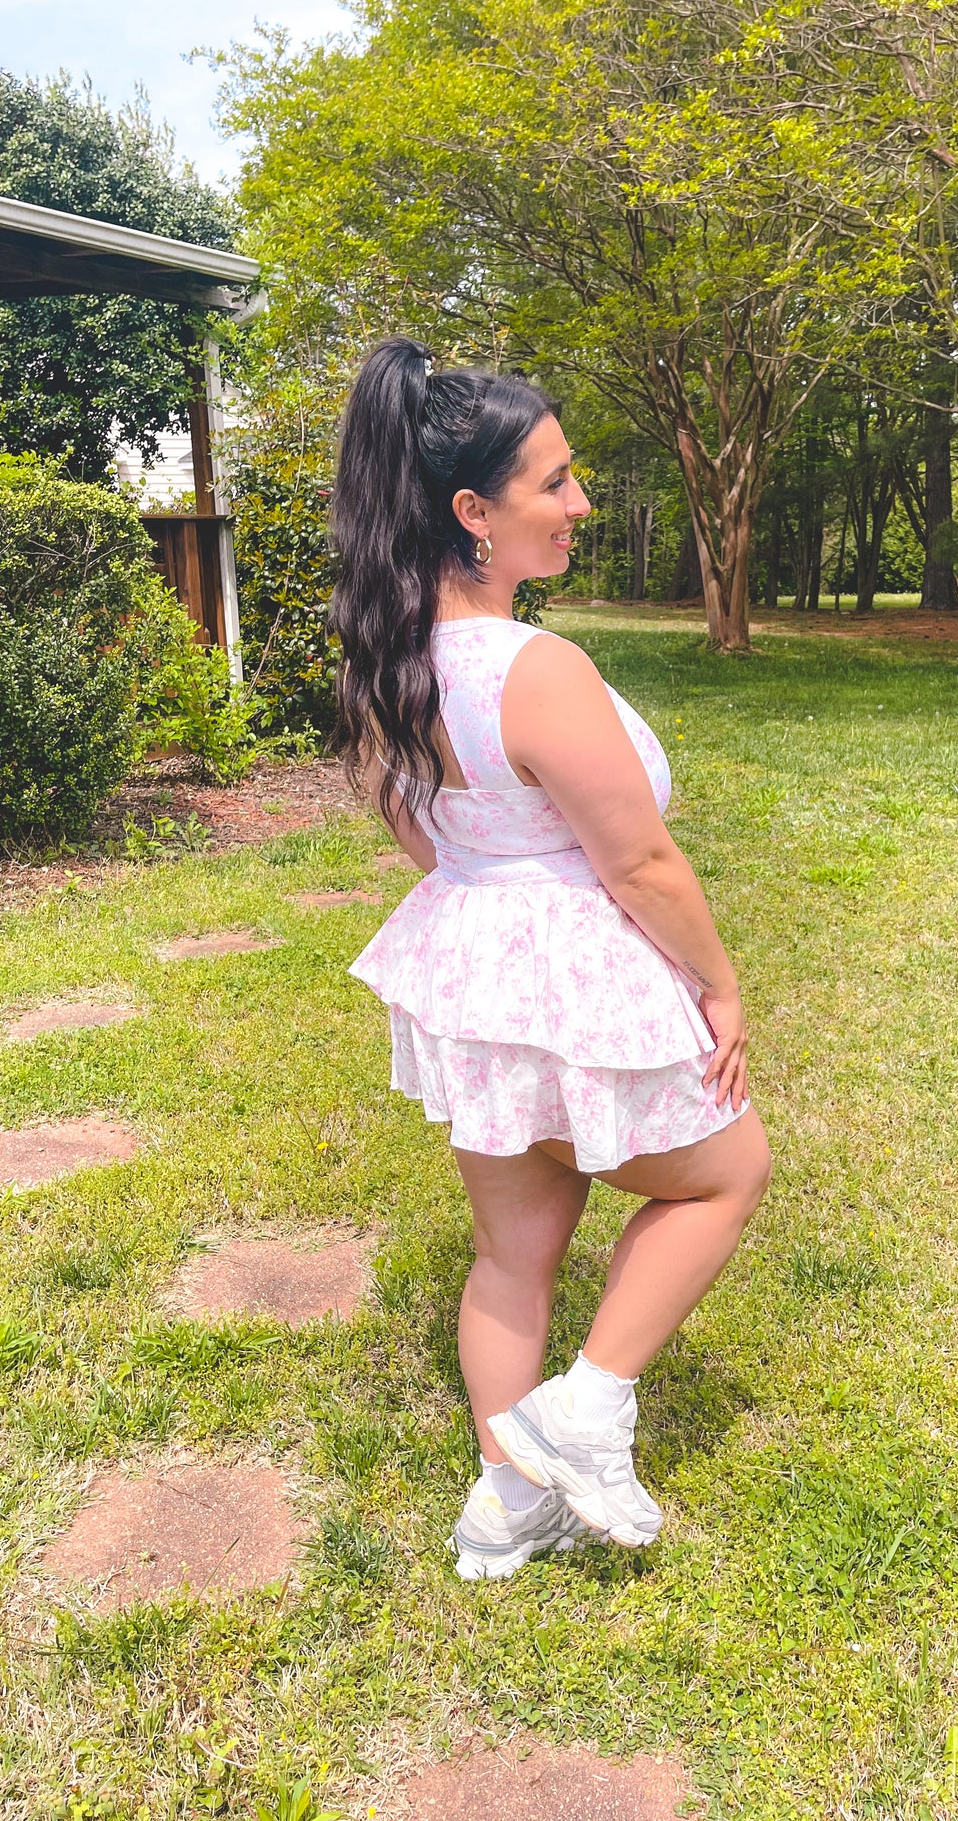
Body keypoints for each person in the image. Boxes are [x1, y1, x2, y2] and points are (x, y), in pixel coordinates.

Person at [333, 338, 771, 1579]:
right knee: (727, 1170)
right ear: (473, 513)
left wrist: (497, 900)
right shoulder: (537, 668)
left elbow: (420, 835)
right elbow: (640, 864)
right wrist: (720, 985)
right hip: (574, 975)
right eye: (557, 482)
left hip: (471, 974)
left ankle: (503, 1506)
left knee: (512, 1250)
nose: (581, 503)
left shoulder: (390, 654)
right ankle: (585, 1408)